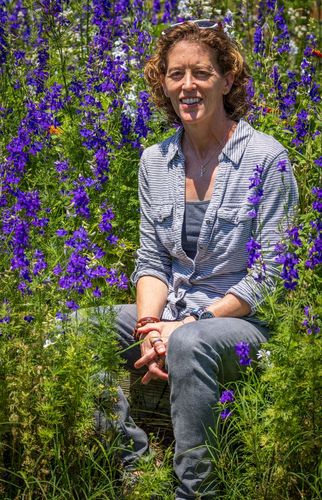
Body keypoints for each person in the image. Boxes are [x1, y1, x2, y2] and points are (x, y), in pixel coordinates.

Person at [109, 19, 298, 499]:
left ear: (227, 79)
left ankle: (196, 491)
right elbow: (151, 259)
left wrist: (185, 325)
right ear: (163, 83)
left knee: (191, 342)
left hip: (242, 322)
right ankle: (135, 468)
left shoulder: (266, 159)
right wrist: (152, 325)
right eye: (176, 74)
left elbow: (270, 277)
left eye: (201, 73)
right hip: (174, 312)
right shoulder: (155, 160)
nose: (188, 86)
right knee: (68, 331)